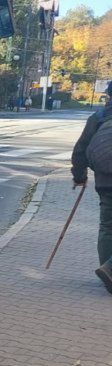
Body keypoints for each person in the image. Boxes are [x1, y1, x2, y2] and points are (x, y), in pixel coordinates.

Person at [71, 81, 112, 293]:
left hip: (105, 181)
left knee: (107, 227)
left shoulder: (98, 117)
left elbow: (80, 150)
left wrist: (79, 177)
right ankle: (110, 269)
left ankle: (108, 275)